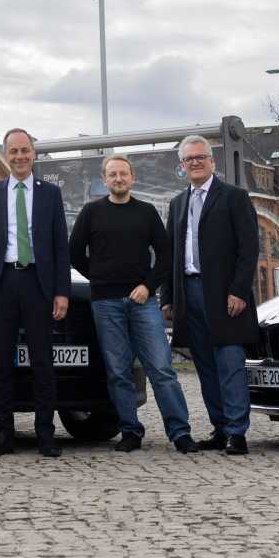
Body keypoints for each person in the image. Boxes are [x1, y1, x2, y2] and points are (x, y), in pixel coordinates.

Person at [69, 153, 195, 452]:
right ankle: (130, 431)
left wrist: (147, 286)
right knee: (118, 371)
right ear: (104, 180)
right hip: (105, 303)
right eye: (112, 174)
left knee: (161, 369)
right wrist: (99, 279)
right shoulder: (91, 212)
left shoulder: (146, 212)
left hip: (143, 302)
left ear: (132, 178)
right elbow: (74, 253)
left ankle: (180, 433)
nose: (118, 179)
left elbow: (165, 256)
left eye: (123, 174)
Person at [0, 127, 70, 458]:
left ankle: (45, 434)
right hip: (2, 284)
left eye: (25, 150)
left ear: (34, 153)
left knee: (43, 361)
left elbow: (60, 246)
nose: (20, 156)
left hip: (38, 284)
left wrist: (61, 292)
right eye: (13, 151)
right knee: (0, 362)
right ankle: (4, 433)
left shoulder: (50, 194)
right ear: (5, 155)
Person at [163, 134, 261, 455]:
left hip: (224, 294)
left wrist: (239, 290)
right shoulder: (177, 204)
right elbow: (170, 254)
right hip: (189, 293)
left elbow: (249, 248)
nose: (195, 162)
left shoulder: (234, 197)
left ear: (211, 161)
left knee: (230, 363)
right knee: (205, 367)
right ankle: (220, 429)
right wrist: (168, 297)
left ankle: (237, 433)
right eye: (189, 159)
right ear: (182, 165)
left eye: (200, 157)